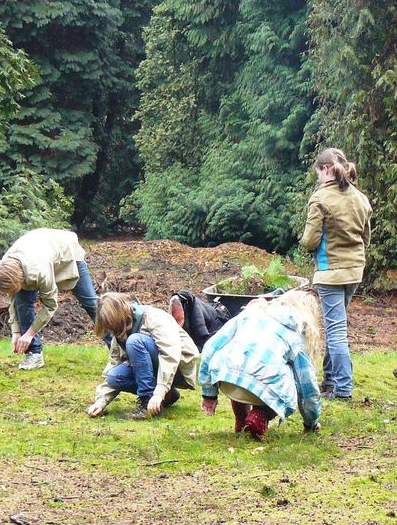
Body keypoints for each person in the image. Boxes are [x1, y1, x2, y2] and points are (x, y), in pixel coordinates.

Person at [199, 290, 323, 440]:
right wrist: (311, 422)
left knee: (241, 364)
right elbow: (307, 384)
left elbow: (211, 346)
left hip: (226, 378)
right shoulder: (295, 332)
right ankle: (261, 415)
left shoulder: (250, 313)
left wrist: (209, 393)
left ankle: (241, 420)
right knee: (288, 374)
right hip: (262, 386)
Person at [300, 148, 372, 400]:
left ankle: (342, 389)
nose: (318, 177)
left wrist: (305, 241)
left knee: (336, 330)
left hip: (330, 272)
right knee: (335, 326)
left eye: (318, 172)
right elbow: (366, 237)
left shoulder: (320, 199)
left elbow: (309, 241)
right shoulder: (360, 198)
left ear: (326, 169)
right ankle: (330, 381)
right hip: (354, 271)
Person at [0, 228, 98, 370]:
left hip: (67, 254)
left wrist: (29, 334)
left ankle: (120, 350)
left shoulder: (39, 272)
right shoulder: (6, 267)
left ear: (18, 279)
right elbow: (13, 299)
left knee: (91, 304)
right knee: (22, 302)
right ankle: (34, 354)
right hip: (39, 251)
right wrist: (16, 332)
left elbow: (50, 306)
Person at [86, 292, 199, 420]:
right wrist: (100, 402)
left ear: (122, 315)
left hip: (178, 368)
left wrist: (158, 393)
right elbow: (114, 363)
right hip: (156, 369)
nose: (113, 332)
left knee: (134, 342)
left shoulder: (155, 318)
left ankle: (147, 402)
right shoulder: (120, 330)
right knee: (114, 376)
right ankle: (169, 395)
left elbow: (170, 356)